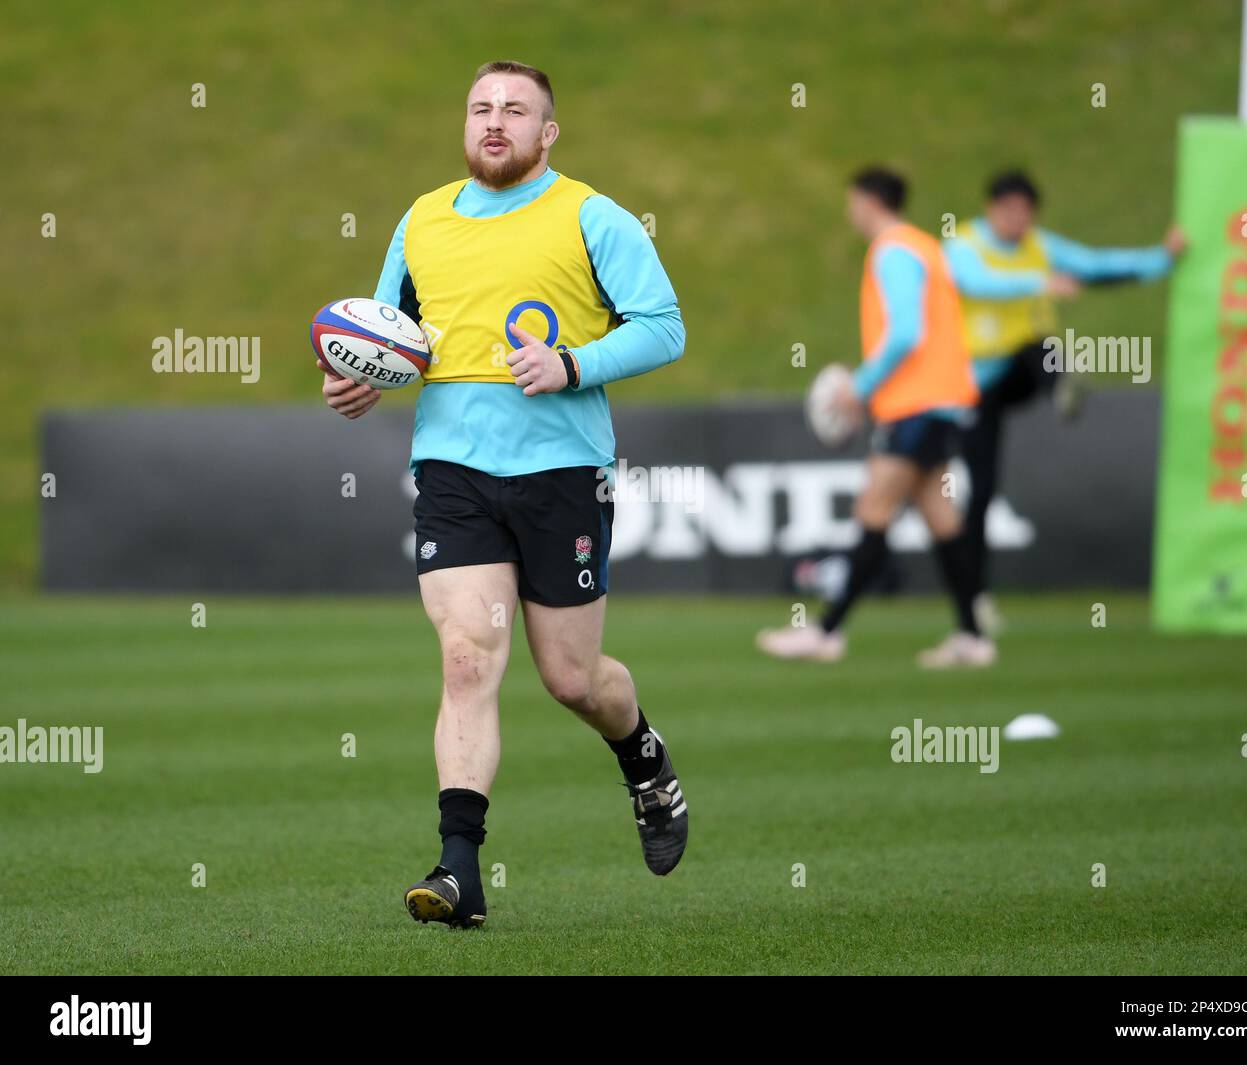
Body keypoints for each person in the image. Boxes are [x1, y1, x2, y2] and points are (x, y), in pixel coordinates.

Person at [318, 61, 688, 929]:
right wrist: (360, 381)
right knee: (467, 657)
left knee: (571, 677)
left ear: (547, 132)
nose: (496, 122)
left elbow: (663, 325)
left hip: (562, 472)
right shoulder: (423, 218)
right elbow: (387, 334)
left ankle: (643, 756)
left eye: (515, 110)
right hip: (453, 471)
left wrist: (571, 365)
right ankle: (458, 871)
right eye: (482, 108)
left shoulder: (591, 215)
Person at [757, 168, 992, 669]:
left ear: (868, 201)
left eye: (853, 202)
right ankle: (972, 635)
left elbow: (907, 332)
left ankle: (826, 631)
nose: (850, 212)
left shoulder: (893, 251)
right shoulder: (926, 246)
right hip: (943, 401)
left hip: (917, 405)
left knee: (873, 509)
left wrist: (858, 387)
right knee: (942, 519)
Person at [944, 170, 1185, 630]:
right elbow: (975, 282)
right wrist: (1039, 283)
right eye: (1009, 210)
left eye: (1025, 211)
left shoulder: (1040, 246)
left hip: (1020, 370)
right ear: (991, 209)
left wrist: (1163, 258)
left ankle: (1061, 387)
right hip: (972, 382)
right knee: (982, 491)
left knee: (1042, 346)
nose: (1017, 220)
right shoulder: (963, 245)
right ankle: (974, 599)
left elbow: (1096, 265)